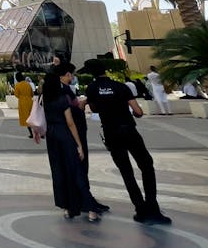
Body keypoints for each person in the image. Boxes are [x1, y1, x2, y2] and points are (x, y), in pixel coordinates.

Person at [85, 66, 172, 225]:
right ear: (107, 72)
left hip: (111, 133)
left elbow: (93, 108)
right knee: (146, 165)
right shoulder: (121, 86)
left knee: (126, 171)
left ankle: (140, 209)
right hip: (129, 130)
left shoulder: (92, 88)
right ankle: (152, 206)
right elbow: (138, 111)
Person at [42, 63, 102, 222]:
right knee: (76, 171)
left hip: (51, 137)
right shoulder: (62, 99)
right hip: (65, 135)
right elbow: (70, 123)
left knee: (59, 171)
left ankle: (68, 208)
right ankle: (90, 209)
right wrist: (79, 144)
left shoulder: (45, 101)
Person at [14, 70, 35, 138]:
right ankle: (39, 132)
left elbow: (16, 95)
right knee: (32, 118)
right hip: (30, 102)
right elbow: (32, 94)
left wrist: (22, 96)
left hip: (23, 103)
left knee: (27, 119)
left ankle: (31, 133)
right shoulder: (28, 84)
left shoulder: (18, 85)